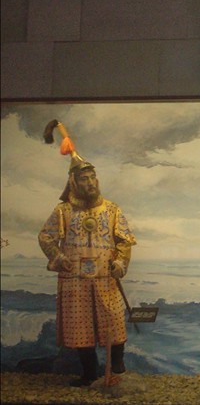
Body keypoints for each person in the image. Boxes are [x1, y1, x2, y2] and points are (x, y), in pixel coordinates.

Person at [38, 154, 136, 387]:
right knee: (81, 326)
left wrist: (120, 263)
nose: (90, 182)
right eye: (84, 179)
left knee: (113, 321)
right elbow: (46, 237)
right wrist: (59, 258)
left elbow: (124, 240)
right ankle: (89, 375)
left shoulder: (111, 209)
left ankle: (118, 371)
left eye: (93, 177)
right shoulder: (62, 211)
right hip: (75, 279)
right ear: (74, 182)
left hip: (105, 277)